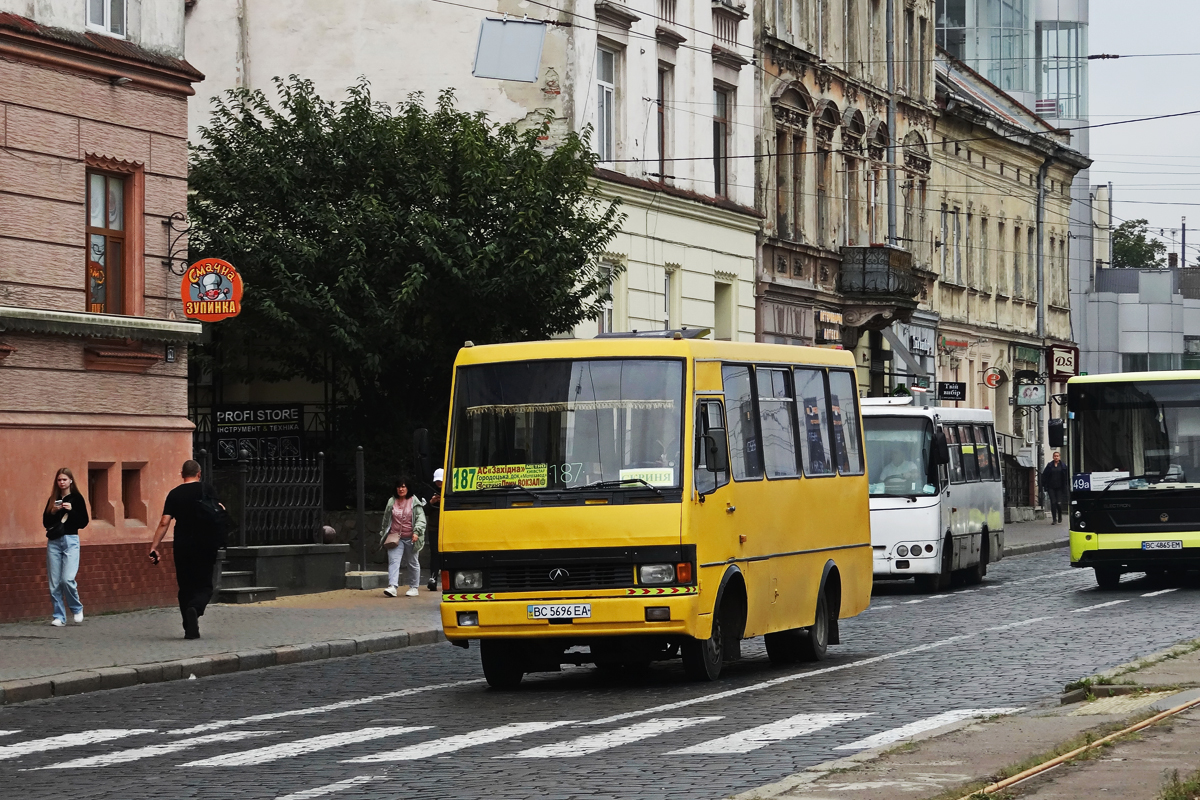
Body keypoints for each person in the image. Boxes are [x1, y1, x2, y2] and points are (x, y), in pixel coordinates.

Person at [148, 460, 225, 639]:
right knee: (205, 584)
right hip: (206, 543)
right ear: (199, 473)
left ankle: (189, 628)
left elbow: (164, 522)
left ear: (182, 474)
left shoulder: (174, 494)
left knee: (185, 585)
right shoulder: (207, 489)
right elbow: (219, 511)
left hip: (182, 544)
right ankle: (195, 608)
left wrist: (154, 547)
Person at [43, 467, 89, 627]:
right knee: (54, 581)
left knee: (67, 579)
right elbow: (45, 523)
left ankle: (76, 608)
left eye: (64, 479)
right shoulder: (53, 499)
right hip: (54, 541)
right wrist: (53, 511)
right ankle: (59, 616)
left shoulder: (77, 498)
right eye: (59, 480)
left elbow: (83, 522)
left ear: (70, 481)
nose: (62, 482)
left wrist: (72, 511)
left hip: (71, 539)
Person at [379, 477, 426, 598]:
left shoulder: (414, 501)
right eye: (399, 486)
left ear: (408, 488)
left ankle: (414, 587)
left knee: (412, 562)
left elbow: (421, 519)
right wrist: (383, 533)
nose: (401, 489)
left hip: (411, 537)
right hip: (395, 537)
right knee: (394, 562)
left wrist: (417, 532)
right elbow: (386, 519)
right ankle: (392, 586)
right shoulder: (391, 501)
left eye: (404, 486)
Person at [426, 468, 443, 591]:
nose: (439, 483)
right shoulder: (429, 492)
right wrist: (432, 502)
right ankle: (433, 578)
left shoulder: (450, 492)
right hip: (433, 527)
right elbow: (424, 511)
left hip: (447, 527)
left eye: (440, 481)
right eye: (437, 481)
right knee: (434, 553)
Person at [1042, 450, 1069, 524]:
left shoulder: (1063, 466)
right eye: (1055, 456)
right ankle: (1054, 519)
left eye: (1057, 456)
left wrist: (1066, 486)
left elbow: (1066, 477)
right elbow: (1044, 475)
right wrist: (1044, 485)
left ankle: (1060, 515)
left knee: (1059, 503)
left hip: (1059, 487)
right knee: (1053, 502)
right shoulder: (1050, 466)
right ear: (1053, 457)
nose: (1056, 457)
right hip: (1051, 487)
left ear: (1059, 457)